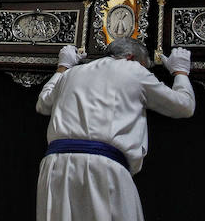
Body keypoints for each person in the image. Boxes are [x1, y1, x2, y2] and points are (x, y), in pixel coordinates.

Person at [35, 39, 195, 221]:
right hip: (102, 167)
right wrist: (180, 71)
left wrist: (62, 67)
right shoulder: (134, 70)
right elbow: (184, 106)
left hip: (55, 166)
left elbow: (43, 104)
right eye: (145, 66)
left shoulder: (73, 72)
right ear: (131, 57)